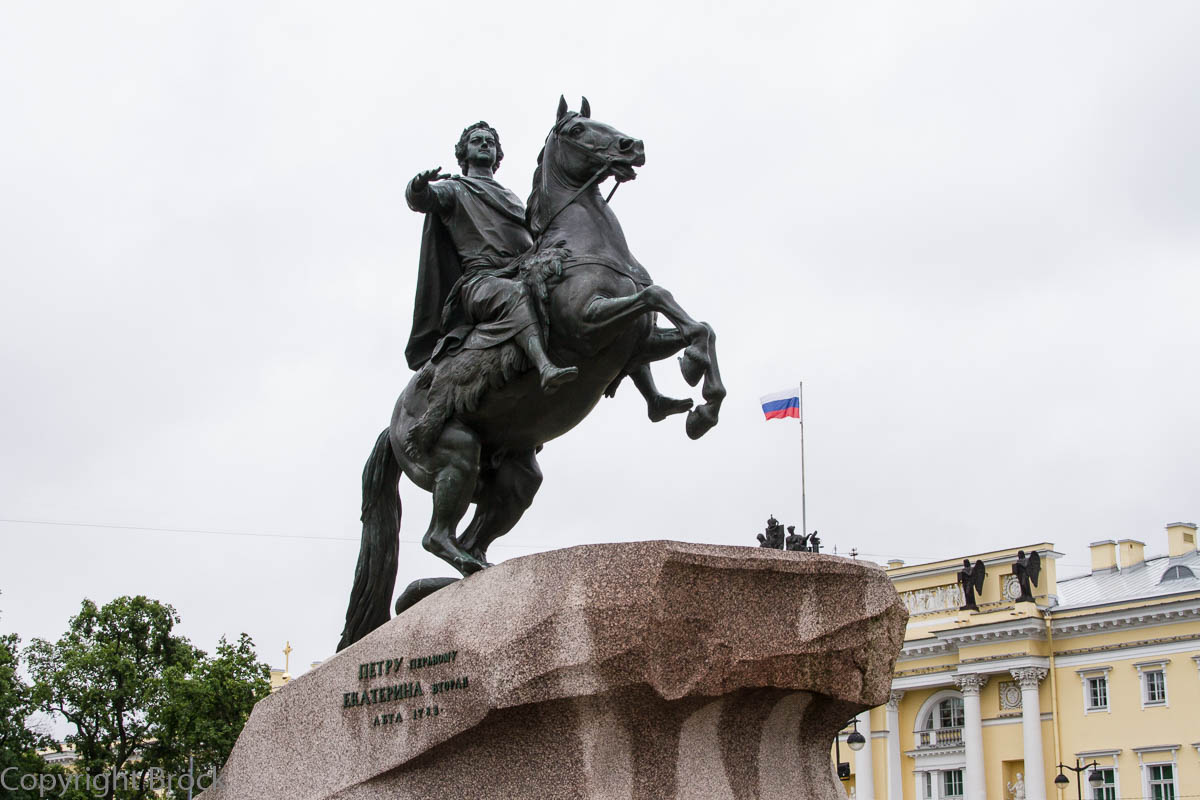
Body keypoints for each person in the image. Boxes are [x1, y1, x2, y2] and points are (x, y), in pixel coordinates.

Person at [404, 121, 578, 393]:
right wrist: (417, 188)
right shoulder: (455, 188)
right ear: (464, 153)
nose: (485, 144)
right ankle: (545, 367)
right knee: (516, 293)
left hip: (521, 269)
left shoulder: (513, 197)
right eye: (477, 140)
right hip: (481, 282)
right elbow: (424, 199)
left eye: (490, 141)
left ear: (498, 154)